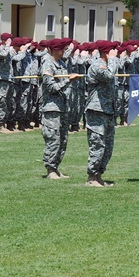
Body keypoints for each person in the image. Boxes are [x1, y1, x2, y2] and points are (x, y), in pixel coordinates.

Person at [40, 38, 81, 179]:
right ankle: (50, 169)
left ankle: (56, 168)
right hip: (52, 108)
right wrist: (68, 80)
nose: (64, 51)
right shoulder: (47, 63)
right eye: (62, 49)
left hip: (63, 107)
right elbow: (51, 87)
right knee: (53, 139)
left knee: (63, 140)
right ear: (55, 50)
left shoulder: (61, 63)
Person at [85, 41, 118, 187]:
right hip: (97, 110)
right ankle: (91, 177)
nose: (116, 52)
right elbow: (109, 76)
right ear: (106, 52)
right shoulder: (98, 65)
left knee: (108, 146)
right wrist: (112, 59)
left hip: (107, 110)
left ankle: (98, 175)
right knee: (97, 144)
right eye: (113, 50)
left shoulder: (108, 64)